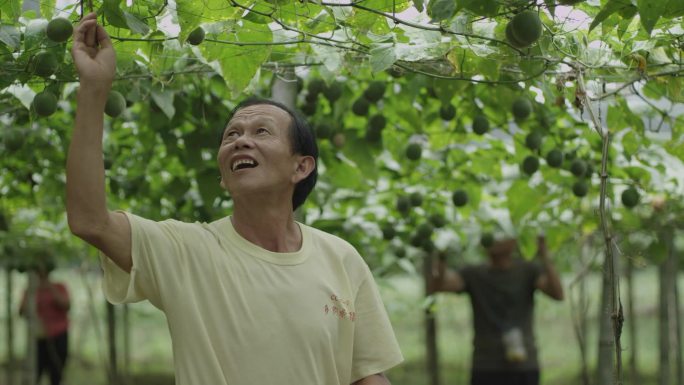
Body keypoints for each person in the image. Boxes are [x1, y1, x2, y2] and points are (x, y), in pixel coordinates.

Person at [65, 12, 403, 385]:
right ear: (224, 179)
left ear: (301, 167)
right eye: (231, 135)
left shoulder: (341, 258)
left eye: (262, 131)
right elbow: (89, 221)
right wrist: (94, 89)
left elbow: (367, 376)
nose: (241, 140)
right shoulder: (185, 250)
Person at [431, 234, 563, 385]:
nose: (495, 238)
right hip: (486, 365)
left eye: (501, 232)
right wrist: (441, 252)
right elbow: (438, 286)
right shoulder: (473, 274)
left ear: (513, 240)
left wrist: (545, 255)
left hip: (524, 365)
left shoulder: (528, 271)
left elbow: (557, 293)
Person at [19, 262, 71, 385]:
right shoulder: (30, 290)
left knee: (56, 374)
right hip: (38, 337)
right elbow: (21, 311)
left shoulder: (59, 287)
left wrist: (49, 287)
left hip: (58, 335)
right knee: (35, 372)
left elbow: (66, 305)